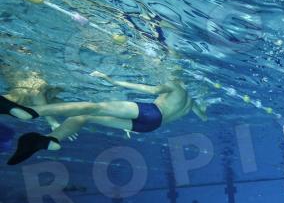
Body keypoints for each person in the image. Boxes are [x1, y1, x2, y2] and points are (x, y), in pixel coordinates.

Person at [0, 70, 207, 165]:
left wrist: (113, 81)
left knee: (94, 107)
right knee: (86, 117)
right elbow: (204, 117)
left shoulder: (174, 84)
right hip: (150, 126)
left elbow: (151, 89)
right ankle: (49, 139)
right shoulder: (191, 103)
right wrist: (202, 106)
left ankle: (33, 112)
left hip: (151, 112)